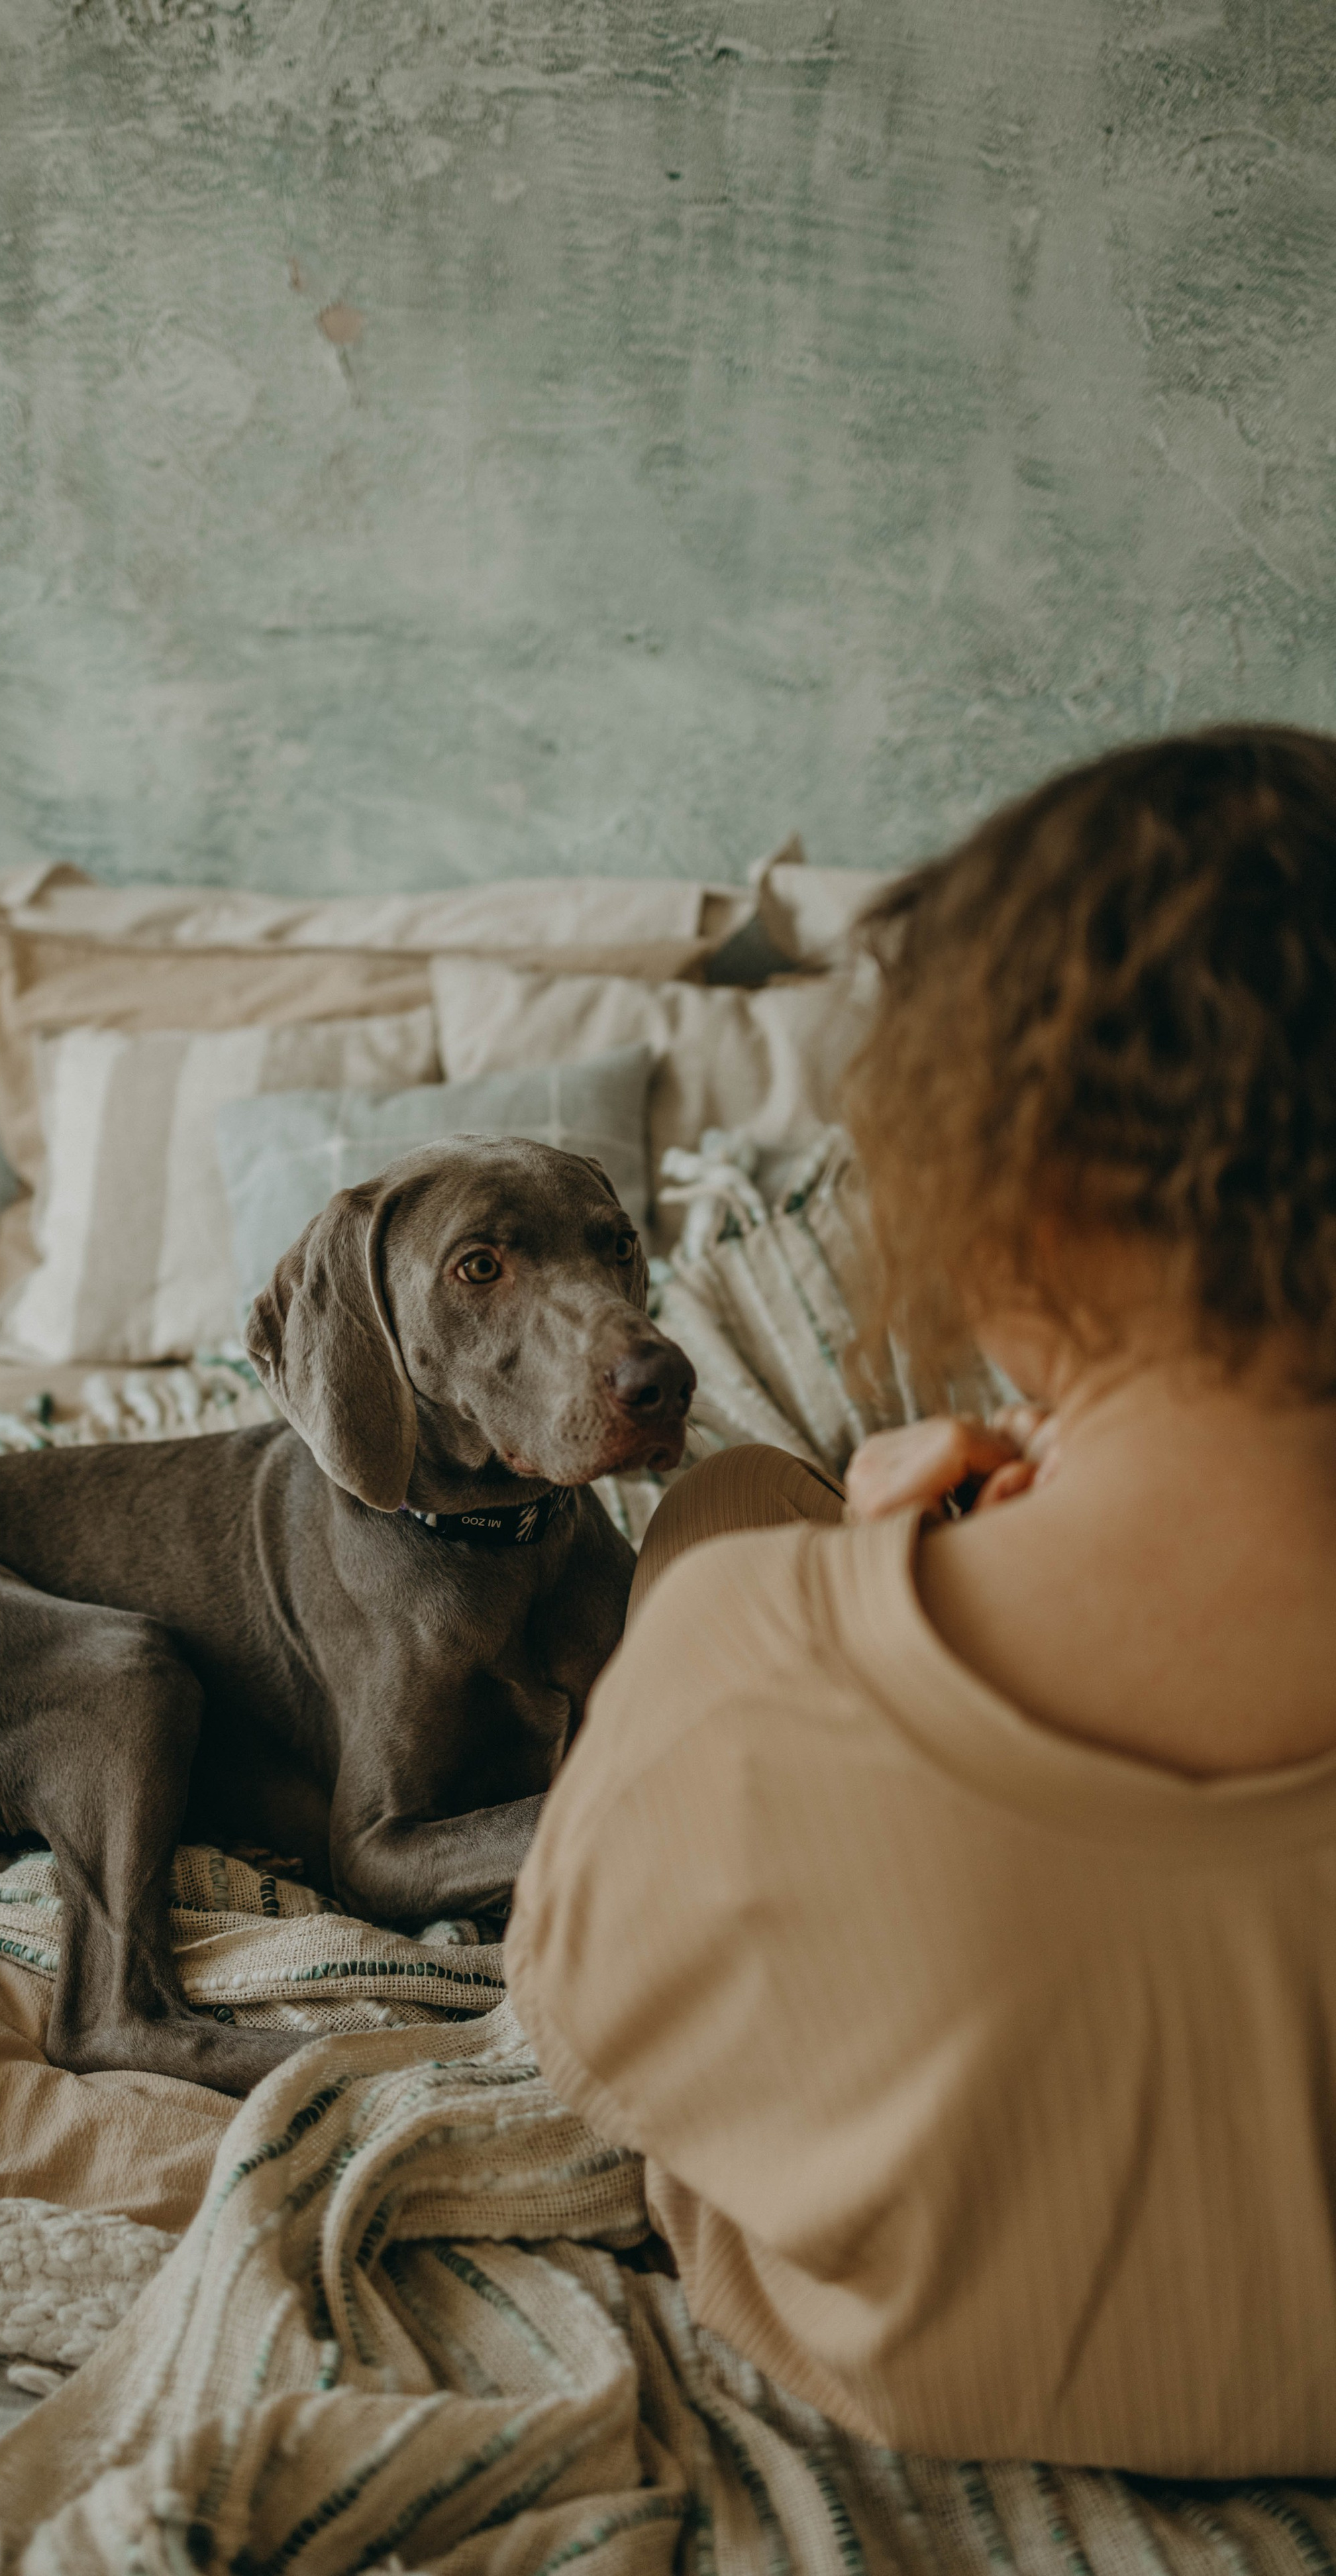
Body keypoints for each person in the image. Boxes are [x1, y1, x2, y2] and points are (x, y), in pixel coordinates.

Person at [504, 727, 1336, 2476]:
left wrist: (844, 1582)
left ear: (1025, 1200)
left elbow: (582, 2033)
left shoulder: (741, 1648)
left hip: (907, 2355)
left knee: (732, 1497)